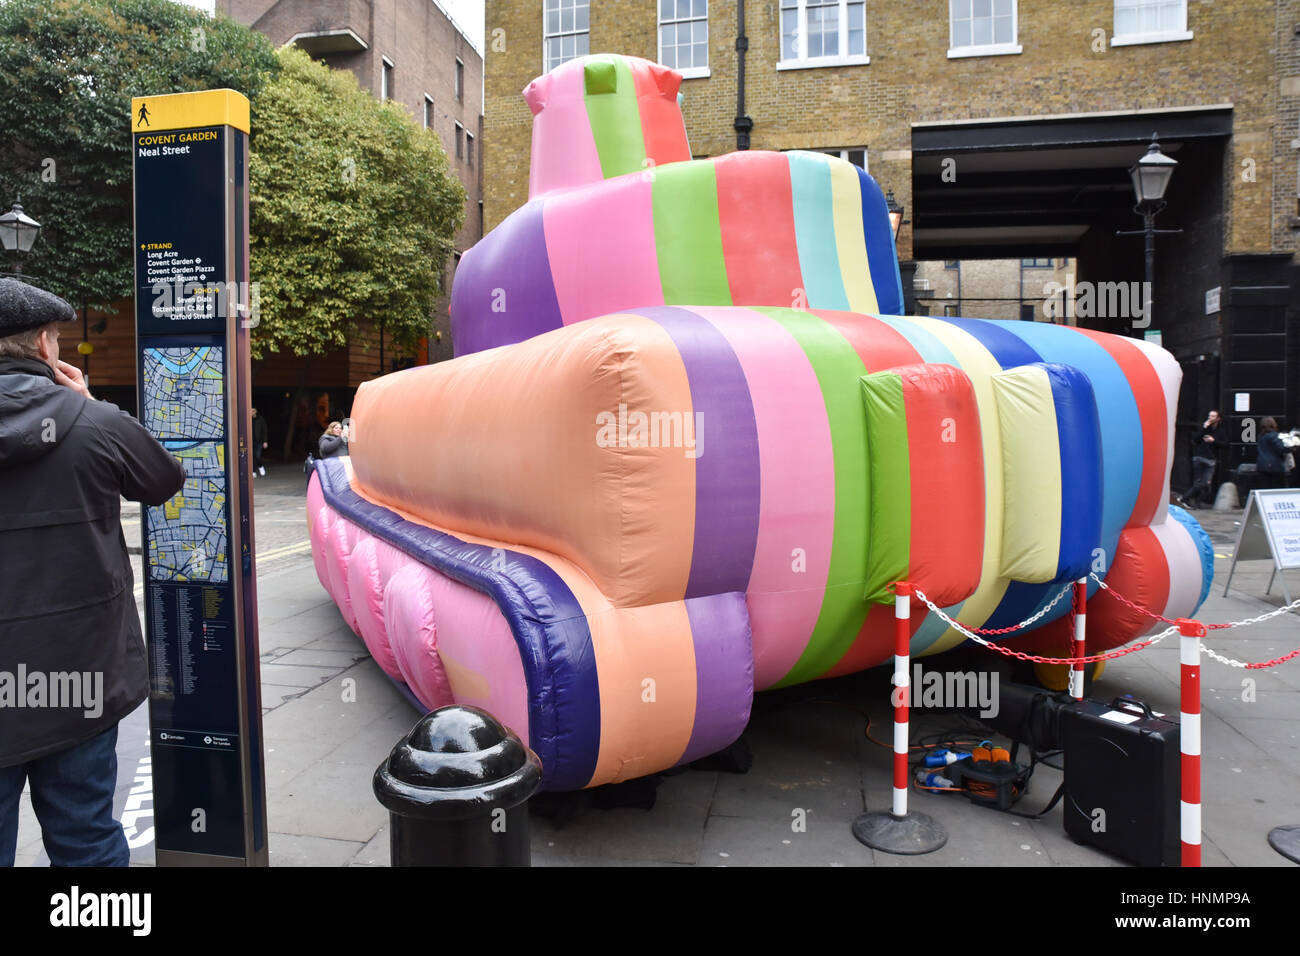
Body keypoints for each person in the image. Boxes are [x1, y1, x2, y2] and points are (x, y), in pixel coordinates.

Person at [0, 278, 185, 867]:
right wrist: (92, 402)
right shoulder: (91, 420)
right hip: (78, 680)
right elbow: (162, 480)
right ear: (47, 345)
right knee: (86, 838)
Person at [1182, 409, 1225, 509]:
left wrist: (1213, 441)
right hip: (1199, 457)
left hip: (1211, 459)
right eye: (1209, 416)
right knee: (1199, 481)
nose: (1210, 418)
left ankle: (1189, 499)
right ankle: (1189, 500)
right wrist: (1204, 428)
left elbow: (1225, 444)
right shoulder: (1204, 427)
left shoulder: (1221, 430)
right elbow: (1195, 440)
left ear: (1218, 418)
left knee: (1205, 483)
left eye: (1213, 416)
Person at [1256, 417, 1289, 489]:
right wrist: (1292, 447)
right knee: (1278, 490)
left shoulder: (1260, 436)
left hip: (1262, 467)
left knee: (1265, 489)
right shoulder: (1274, 435)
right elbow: (1281, 448)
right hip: (1275, 467)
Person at [251, 406, 268, 477]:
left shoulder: (261, 419)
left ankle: (260, 466)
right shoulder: (248, 419)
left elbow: (265, 430)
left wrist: (265, 441)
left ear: (256, 411)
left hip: (259, 441)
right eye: (251, 411)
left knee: (257, 455)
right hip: (250, 441)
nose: (252, 412)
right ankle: (253, 471)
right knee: (252, 456)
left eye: (253, 411)